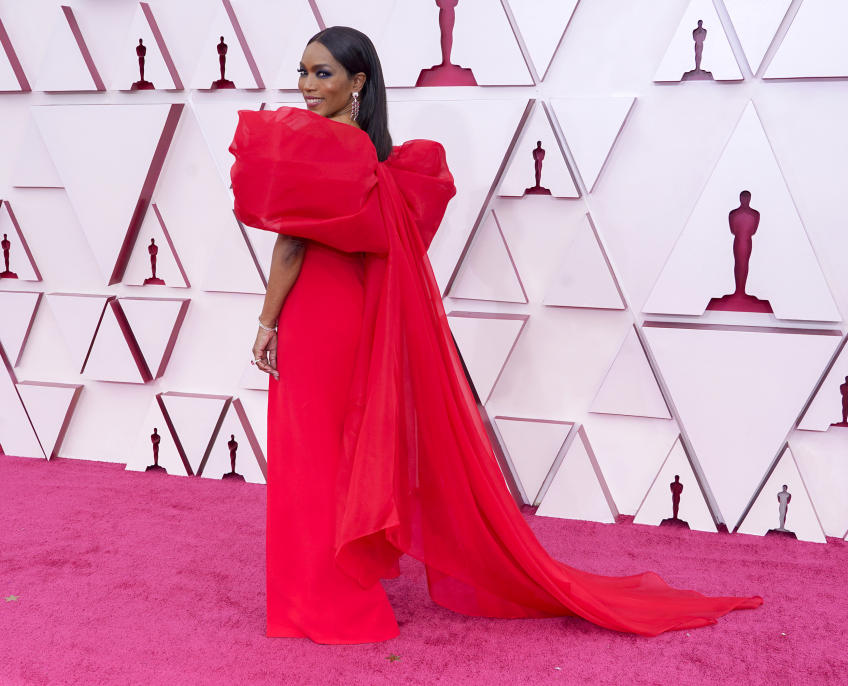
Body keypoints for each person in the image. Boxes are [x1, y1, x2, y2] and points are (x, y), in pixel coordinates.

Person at [229, 25, 762, 645]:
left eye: (322, 73)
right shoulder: (382, 162)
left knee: (311, 454)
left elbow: (291, 245)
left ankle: (320, 603)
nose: (306, 85)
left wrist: (267, 322)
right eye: (302, 71)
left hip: (317, 317)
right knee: (340, 452)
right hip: (358, 317)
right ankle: (340, 592)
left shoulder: (316, 149)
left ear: (358, 82)